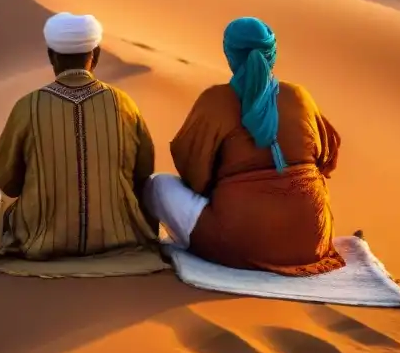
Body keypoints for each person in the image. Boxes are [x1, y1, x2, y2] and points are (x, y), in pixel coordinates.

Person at [144, 17, 344, 276]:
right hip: (312, 243)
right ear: (273, 53)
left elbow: (192, 171)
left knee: (158, 185)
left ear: (229, 55)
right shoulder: (299, 96)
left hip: (241, 246)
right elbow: (327, 158)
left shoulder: (215, 101)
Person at [0, 12, 159, 262]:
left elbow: (5, 179)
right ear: (95, 54)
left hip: (39, 240)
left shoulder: (28, 106)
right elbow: (144, 171)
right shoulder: (124, 103)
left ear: (51, 56)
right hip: (121, 235)